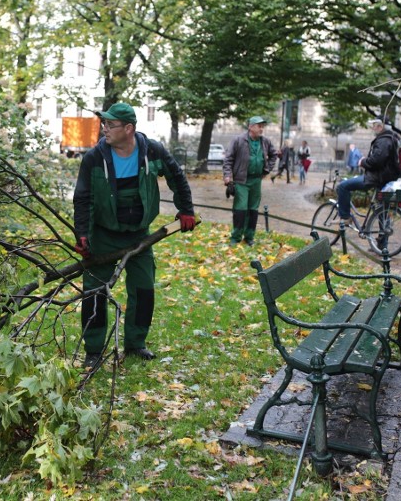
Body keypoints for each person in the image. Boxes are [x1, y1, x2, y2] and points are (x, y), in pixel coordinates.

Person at [73, 102, 196, 368]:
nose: (104, 129)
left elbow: (176, 176)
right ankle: (93, 350)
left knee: (143, 288)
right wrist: (82, 234)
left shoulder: (152, 151)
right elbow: (82, 198)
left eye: (110, 124)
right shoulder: (95, 158)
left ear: (128, 129)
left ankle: (136, 343)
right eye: (103, 124)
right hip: (103, 237)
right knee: (94, 292)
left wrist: (186, 209)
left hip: (140, 236)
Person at [223, 116, 277, 246]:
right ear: (251, 127)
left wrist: (266, 170)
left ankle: (249, 237)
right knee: (240, 209)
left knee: (253, 210)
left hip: (256, 180)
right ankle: (235, 237)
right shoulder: (238, 140)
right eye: (259, 126)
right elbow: (228, 159)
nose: (261, 129)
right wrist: (227, 175)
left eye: (262, 126)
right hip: (241, 181)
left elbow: (274, 155)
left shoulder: (265, 141)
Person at [336, 119, 401, 225]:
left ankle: (345, 217)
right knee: (382, 209)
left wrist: (362, 162)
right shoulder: (392, 139)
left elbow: (376, 161)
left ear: (380, 127)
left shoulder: (383, 141)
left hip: (375, 178)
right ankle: (382, 240)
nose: (372, 128)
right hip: (385, 178)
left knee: (343, 186)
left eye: (374, 125)